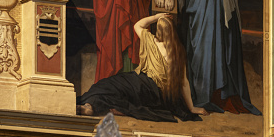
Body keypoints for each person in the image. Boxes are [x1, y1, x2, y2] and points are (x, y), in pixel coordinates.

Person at [147, 0, 260, 115]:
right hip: (208, 15)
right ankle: (211, 95)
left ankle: (204, 97)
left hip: (205, 17)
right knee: (208, 54)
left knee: (202, 55)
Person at [77, 13, 207, 121]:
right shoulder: (178, 52)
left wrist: (156, 16)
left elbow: (138, 25)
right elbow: (184, 83)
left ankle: (90, 106)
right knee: (115, 89)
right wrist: (191, 108)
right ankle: (90, 106)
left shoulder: (151, 41)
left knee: (109, 86)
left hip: (143, 85)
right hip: (153, 92)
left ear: (159, 30)